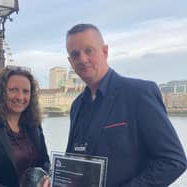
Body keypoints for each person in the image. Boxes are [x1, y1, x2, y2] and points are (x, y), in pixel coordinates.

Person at [65, 24, 187, 186]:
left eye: (89, 50)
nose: (82, 59)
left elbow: (173, 160)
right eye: (75, 54)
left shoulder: (139, 93)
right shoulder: (77, 106)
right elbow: (74, 160)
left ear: (105, 51)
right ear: (70, 61)